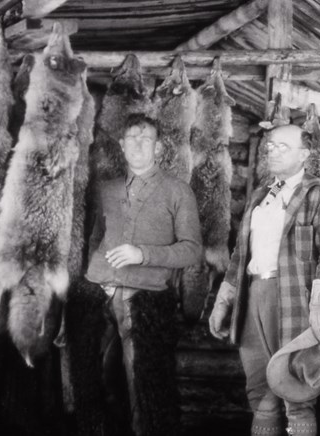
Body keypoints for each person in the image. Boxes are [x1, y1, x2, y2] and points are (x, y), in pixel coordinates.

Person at [209, 124, 320, 436]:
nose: (272, 151)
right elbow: (239, 256)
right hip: (254, 292)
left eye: (283, 147)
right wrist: (224, 301)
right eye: (270, 146)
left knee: (296, 391)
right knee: (261, 392)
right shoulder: (260, 196)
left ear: (305, 154)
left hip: (294, 299)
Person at [84, 113, 202, 435]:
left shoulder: (178, 192)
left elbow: (192, 249)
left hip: (143, 303)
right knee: (97, 383)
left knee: (143, 390)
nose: (137, 144)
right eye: (131, 139)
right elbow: (95, 238)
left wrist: (143, 254)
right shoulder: (106, 189)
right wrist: (91, 279)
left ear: (158, 146)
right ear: (121, 146)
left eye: (145, 138)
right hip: (99, 298)